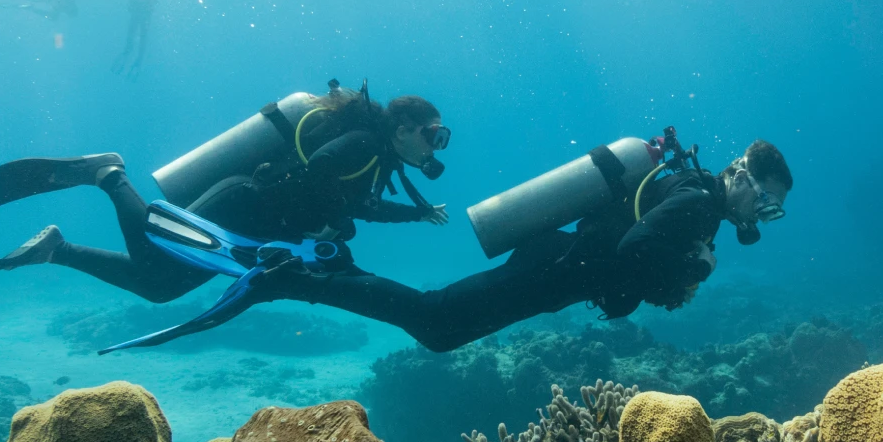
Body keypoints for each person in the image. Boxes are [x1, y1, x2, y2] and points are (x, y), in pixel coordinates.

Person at [0, 85, 452, 307]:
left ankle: (57, 250)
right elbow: (321, 170)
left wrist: (416, 214)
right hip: (241, 206)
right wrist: (333, 218)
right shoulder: (365, 144)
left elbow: (360, 204)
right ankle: (108, 174)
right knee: (152, 258)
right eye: (433, 133)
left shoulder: (376, 160)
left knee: (159, 287)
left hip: (250, 230)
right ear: (403, 127)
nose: (435, 144)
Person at [252, 139, 793, 351]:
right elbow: (635, 249)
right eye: (766, 201)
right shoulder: (698, 201)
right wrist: (695, 271)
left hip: (559, 270)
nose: (762, 216)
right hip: (556, 268)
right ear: (741, 177)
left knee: (441, 333)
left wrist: (680, 271)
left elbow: (643, 255)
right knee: (434, 318)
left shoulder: (697, 199)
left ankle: (330, 269)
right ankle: (296, 278)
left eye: (773, 211)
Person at [110, 0, 156, 77]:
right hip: (140, 16)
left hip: (140, 15)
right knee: (138, 36)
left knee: (136, 35)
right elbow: (154, 1)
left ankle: (131, 53)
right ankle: (134, 55)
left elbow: (152, 1)